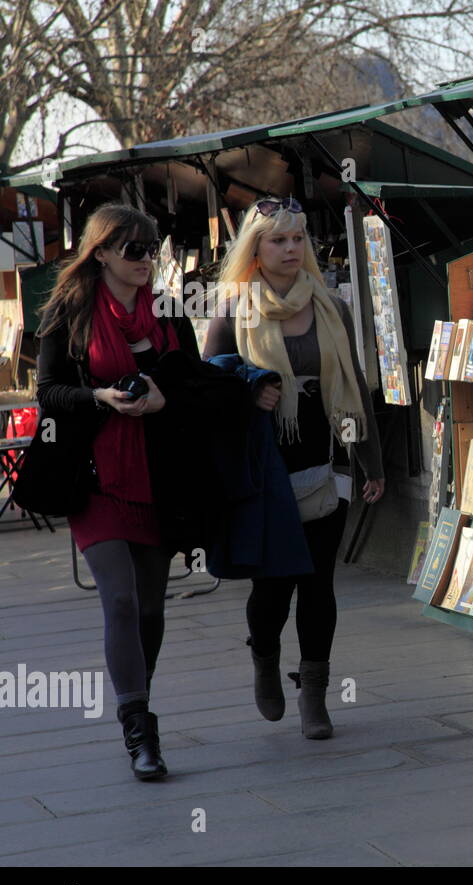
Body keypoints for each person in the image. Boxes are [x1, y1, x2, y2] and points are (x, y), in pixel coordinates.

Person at [203, 197, 384, 739]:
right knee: (273, 588)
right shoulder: (235, 308)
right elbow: (208, 389)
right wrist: (250, 389)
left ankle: (315, 693)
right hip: (264, 474)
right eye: (277, 240)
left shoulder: (332, 308)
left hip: (325, 466)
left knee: (318, 582)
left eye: (297, 239)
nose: (289, 249)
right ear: (255, 248)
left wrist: (369, 461)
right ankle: (264, 657)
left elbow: (353, 387)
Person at [34, 204, 203, 780]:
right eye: (133, 250)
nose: (146, 260)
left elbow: (194, 387)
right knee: (122, 601)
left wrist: (164, 402)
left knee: (151, 608)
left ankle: (137, 698)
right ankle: (140, 733)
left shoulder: (171, 313)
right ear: (101, 252)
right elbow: (50, 392)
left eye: (152, 249)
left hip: (158, 480)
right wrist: (100, 397)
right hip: (94, 479)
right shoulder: (69, 313)